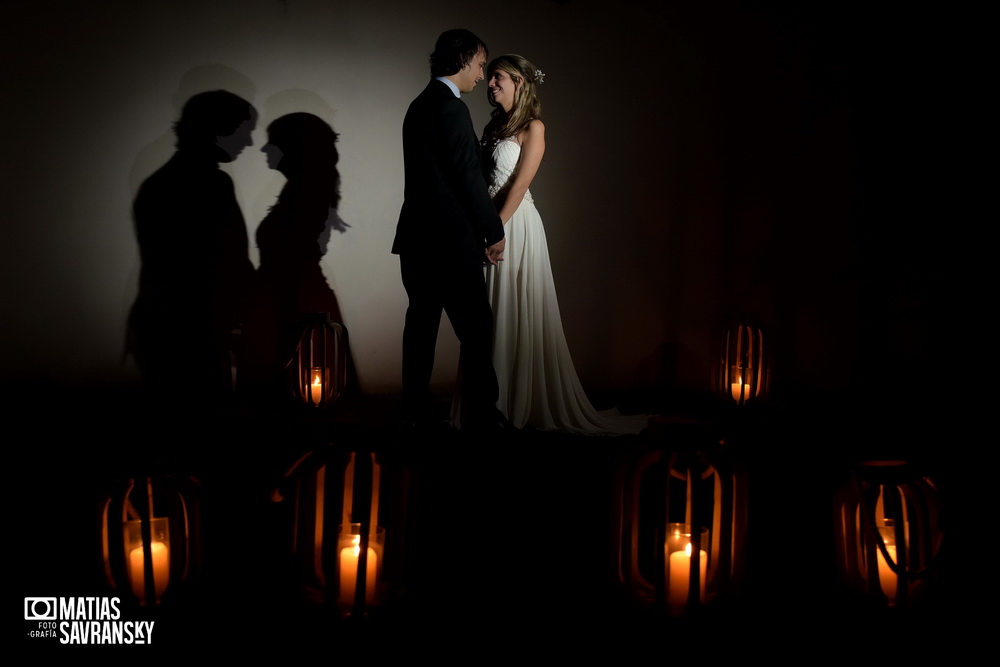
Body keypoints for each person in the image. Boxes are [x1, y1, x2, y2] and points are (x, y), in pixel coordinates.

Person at [478, 55, 646, 435]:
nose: (490, 84)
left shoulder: (533, 127)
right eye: (489, 78)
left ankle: (519, 402)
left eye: (498, 77)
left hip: (515, 224)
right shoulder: (492, 126)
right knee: (487, 314)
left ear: (519, 82)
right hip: (490, 223)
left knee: (518, 310)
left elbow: (520, 183)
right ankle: (491, 402)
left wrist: (496, 226)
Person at [392, 29, 506, 433]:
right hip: (449, 243)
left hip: (416, 240)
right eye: (479, 65)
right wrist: (493, 230)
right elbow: (466, 178)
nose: (480, 76)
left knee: (420, 327)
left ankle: (413, 410)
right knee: (477, 330)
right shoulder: (451, 109)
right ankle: (484, 416)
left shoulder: (419, 105)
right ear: (462, 60)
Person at [128, 90, 256, 407]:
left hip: (161, 321)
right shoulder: (210, 183)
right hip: (193, 327)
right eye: (243, 130)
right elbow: (227, 259)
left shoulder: (159, 181)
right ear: (219, 128)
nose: (249, 142)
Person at [242, 112, 356, 401]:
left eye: (274, 143)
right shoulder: (303, 190)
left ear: (294, 148)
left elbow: (295, 250)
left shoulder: (306, 193)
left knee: (298, 385)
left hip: (294, 297)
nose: (265, 150)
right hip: (294, 294)